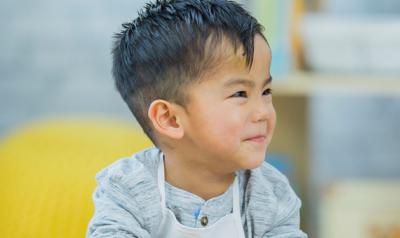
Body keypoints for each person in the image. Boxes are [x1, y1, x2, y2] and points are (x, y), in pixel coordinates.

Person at [87, 0, 307, 237]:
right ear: (170, 119)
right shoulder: (128, 189)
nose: (263, 112)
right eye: (240, 94)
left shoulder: (271, 194)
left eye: (266, 92)